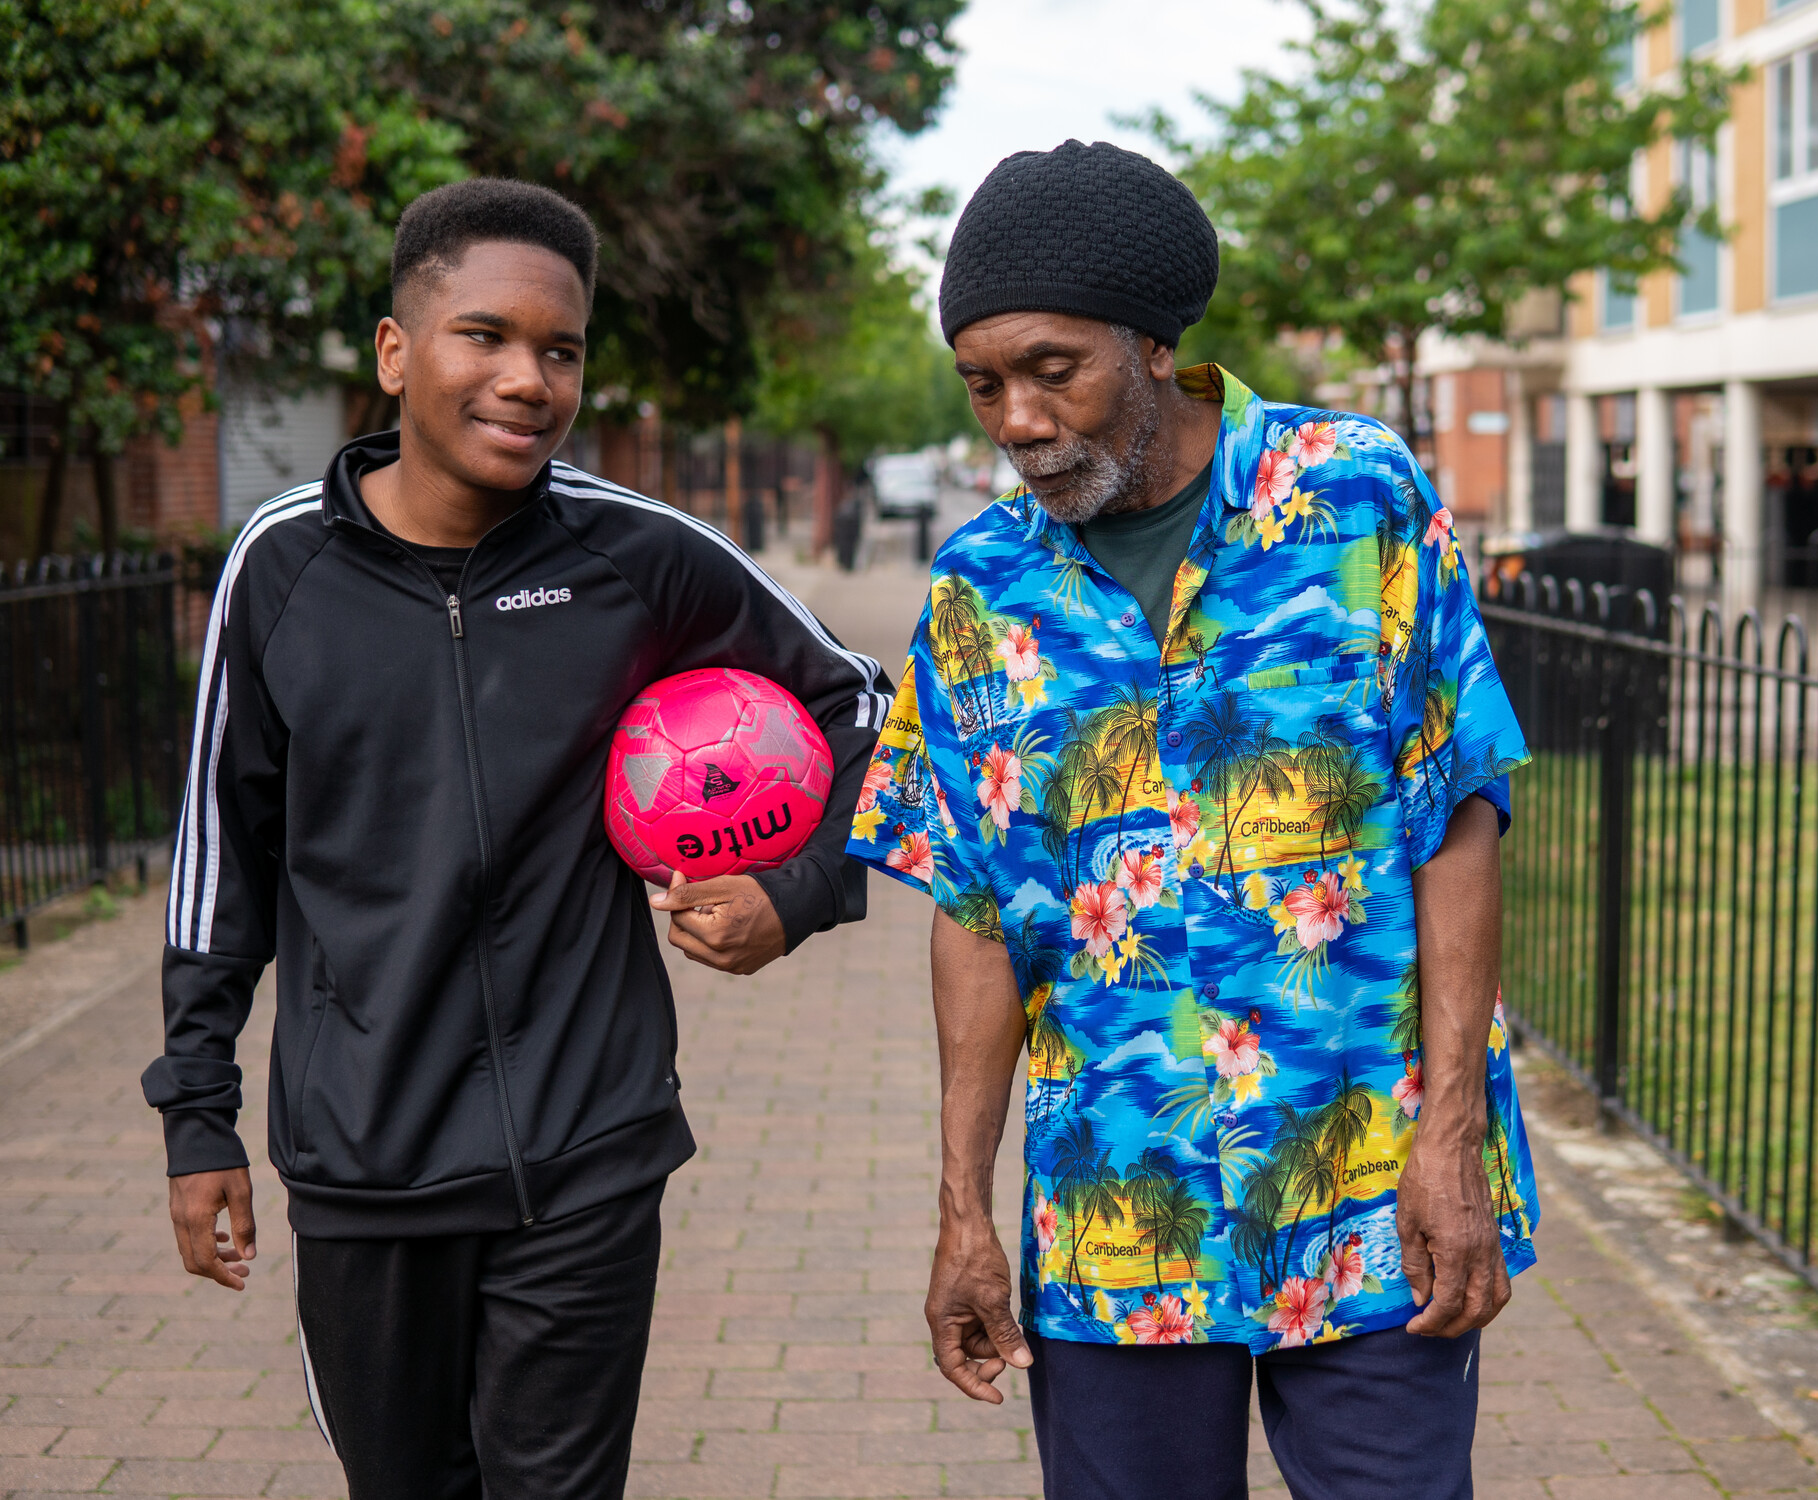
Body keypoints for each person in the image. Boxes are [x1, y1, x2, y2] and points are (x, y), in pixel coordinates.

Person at [142, 178, 889, 1500]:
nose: (528, 378)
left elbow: (867, 705)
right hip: (368, 1162)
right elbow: (221, 859)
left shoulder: (636, 554)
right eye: (484, 335)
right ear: (394, 353)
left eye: (561, 350)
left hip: (588, 1147)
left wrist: (800, 888)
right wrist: (197, 1117)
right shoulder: (280, 568)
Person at [848, 141, 1537, 1500]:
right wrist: (961, 1216)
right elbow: (972, 914)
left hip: (1364, 1176)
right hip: (1119, 1207)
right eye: (983, 383)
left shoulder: (1353, 496)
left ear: (1156, 347)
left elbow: (1455, 817)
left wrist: (1450, 1139)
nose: (1018, 420)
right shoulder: (978, 591)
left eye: (1054, 369)